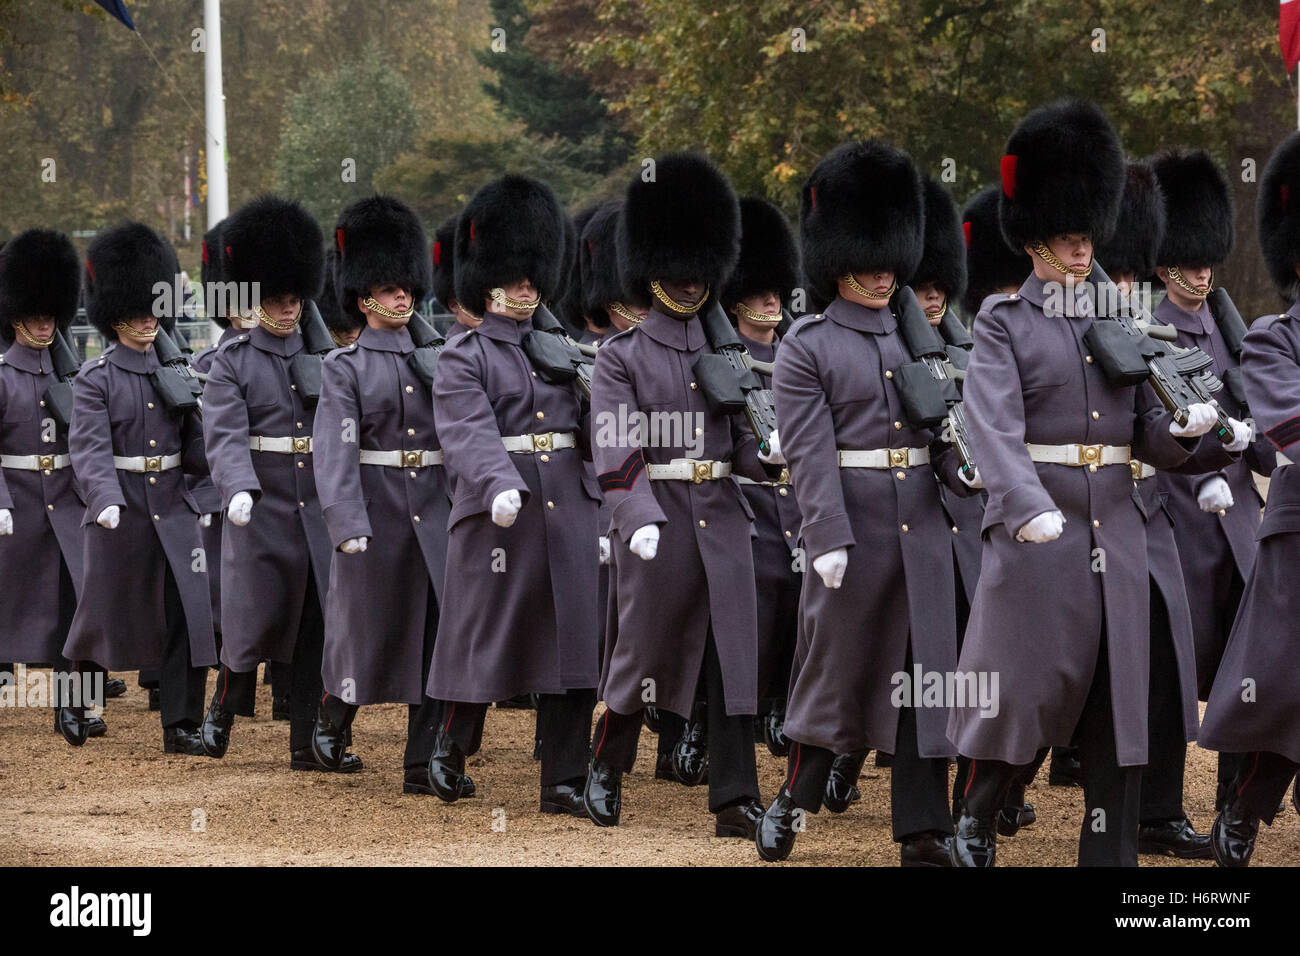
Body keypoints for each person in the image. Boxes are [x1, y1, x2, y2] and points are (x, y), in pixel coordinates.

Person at [946, 100, 1218, 867]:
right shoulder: (1003, 323)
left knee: (1117, 710)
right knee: (1020, 692)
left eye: (1085, 235)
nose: (1081, 249)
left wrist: (1187, 434)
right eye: (1068, 237)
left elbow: (1145, 432)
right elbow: (991, 426)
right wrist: (1024, 504)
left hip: (1117, 532)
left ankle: (1111, 857)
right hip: (1040, 532)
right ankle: (977, 810)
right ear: (1035, 241)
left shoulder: (1119, 320)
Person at [754, 141, 975, 865]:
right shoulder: (807, 347)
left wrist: (967, 469)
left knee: (927, 679)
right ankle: (794, 798)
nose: (885, 274)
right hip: (852, 528)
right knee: (834, 674)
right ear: (838, 258)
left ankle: (923, 827)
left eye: (892, 261)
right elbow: (808, 451)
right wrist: (828, 537)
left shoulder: (920, 338)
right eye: (870, 259)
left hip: (922, 528)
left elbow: (942, 434)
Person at [584, 152, 773, 838]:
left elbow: (744, 446)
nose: (691, 283)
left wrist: (770, 455)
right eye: (679, 268)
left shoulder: (727, 356)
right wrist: (633, 513)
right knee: (641, 651)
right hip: (656, 518)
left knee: (732, 658)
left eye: (700, 271)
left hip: (722, 514)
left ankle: (734, 797)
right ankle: (606, 765)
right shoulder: (621, 358)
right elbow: (614, 440)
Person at [424, 174, 600, 816]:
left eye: (535, 277)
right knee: (485, 637)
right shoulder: (463, 356)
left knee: (574, 643)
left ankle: (563, 778)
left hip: (569, 510)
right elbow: (467, 430)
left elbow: (595, 431)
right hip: (497, 515)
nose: (528, 288)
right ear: (488, 279)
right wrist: (499, 483)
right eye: (516, 277)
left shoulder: (565, 352)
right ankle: (451, 743)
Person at [195, 195, 344, 773]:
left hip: (313, 508)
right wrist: (235, 487)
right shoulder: (232, 360)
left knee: (314, 627)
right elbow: (224, 431)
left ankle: (306, 744)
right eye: (276, 300)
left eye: (293, 299)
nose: (287, 310)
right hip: (259, 505)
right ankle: (225, 705)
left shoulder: (326, 357)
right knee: (249, 620)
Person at [1150, 148, 1277, 811]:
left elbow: (1255, 418)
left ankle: (1234, 797)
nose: (1202, 272)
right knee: (1173, 672)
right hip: (1177, 516)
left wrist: (1262, 445)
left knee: (1245, 664)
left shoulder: (1230, 328)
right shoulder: (1151, 330)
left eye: (1207, 260)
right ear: (1165, 262)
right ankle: (1160, 810)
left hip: (1238, 524)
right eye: (1189, 261)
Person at [312, 195, 452, 791]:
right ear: (364, 297)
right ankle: (332, 717)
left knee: (434, 634)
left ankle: (420, 764)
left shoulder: (439, 360)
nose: (403, 298)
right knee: (365, 630)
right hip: (376, 510)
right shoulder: (345, 369)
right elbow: (334, 450)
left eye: (406, 289)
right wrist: (346, 522)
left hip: (435, 511)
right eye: (390, 290)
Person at [63, 222, 217, 755]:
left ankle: (180, 724)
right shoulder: (94, 378)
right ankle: (75, 698)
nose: (149, 321)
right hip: (121, 507)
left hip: (175, 508)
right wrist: (104, 499)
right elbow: (88, 448)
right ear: (115, 315)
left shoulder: (177, 370)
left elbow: (197, 451)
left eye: (155, 310)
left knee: (187, 611)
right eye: (138, 311)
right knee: (101, 613)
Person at [1096, 161, 1213, 858]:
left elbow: (1164, 421)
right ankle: (986, 801)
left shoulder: (1146, 325)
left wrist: (1200, 438)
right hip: (1086, 513)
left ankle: (1157, 813)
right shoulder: (1071, 323)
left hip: (1151, 511)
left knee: (1165, 668)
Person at [1199, 129, 1300, 865]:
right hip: (1298, 537)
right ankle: (1244, 805)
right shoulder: (1273, 336)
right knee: (1284, 691)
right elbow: (1287, 425)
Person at [0, 229, 105, 745]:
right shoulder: (1, 377)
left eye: (50, 316)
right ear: (15, 316)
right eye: (35, 315)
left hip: (66, 504)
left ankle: (73, 705)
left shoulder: (76, 375)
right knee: (11, 604)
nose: (44, 324)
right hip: (16, 506)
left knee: (74, 606)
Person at [721, 197, 802, 765]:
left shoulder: (797, 352)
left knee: (798, 605)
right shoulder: (725, 357)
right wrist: (759, 458)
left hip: (798, 504)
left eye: (775, 291)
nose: (771, 300)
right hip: (749, 501)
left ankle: (782, 704)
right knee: (757, 607)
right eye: (758, 292)